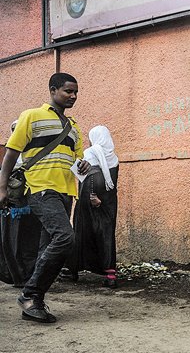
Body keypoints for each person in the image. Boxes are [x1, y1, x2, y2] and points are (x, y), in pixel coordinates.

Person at [0, 73, 90, 323]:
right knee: (65, 237)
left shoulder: (73, 128)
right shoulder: (32, 116)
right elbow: (11, 153)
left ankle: (34, 303)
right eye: (67, 91)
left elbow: (78, 159)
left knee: (46, 247)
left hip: (66, 192)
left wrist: (82, 165)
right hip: (40, 189)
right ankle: (30, 294)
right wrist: (2, 187)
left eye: (76, 92)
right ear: (53, 90)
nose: (73, 96)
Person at [64, 125, 120, 288]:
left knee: (82, 233)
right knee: (106, 235)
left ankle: (72, 270)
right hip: (108, 203)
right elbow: (110, 181)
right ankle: (110, 274)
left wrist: (92, 196)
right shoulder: (113, 156)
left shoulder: (90, 153)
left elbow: (81, 175)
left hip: (90, 201)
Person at [0, 121, 42, 288]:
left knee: (29, 240)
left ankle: (28, 275)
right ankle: (18, 276)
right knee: (13, 241)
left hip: (30, 204)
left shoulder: (34, 152)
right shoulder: (10, 154)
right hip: (14, 205)